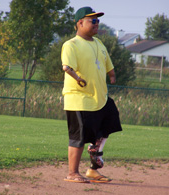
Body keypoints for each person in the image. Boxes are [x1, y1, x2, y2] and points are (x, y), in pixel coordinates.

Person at [61, 6, 122, 183]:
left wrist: (112, 75)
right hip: (79, 99)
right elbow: (67, 67)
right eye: (92, 21)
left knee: (109, 123)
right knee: (78, 138)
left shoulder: (99, 44)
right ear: (80, 23)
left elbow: (108, 64)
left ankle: (93, 169)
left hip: (100, 99)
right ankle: (72, 173)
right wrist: (78, 78)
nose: (96, 24)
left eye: (98, 21)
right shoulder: (71, 44)